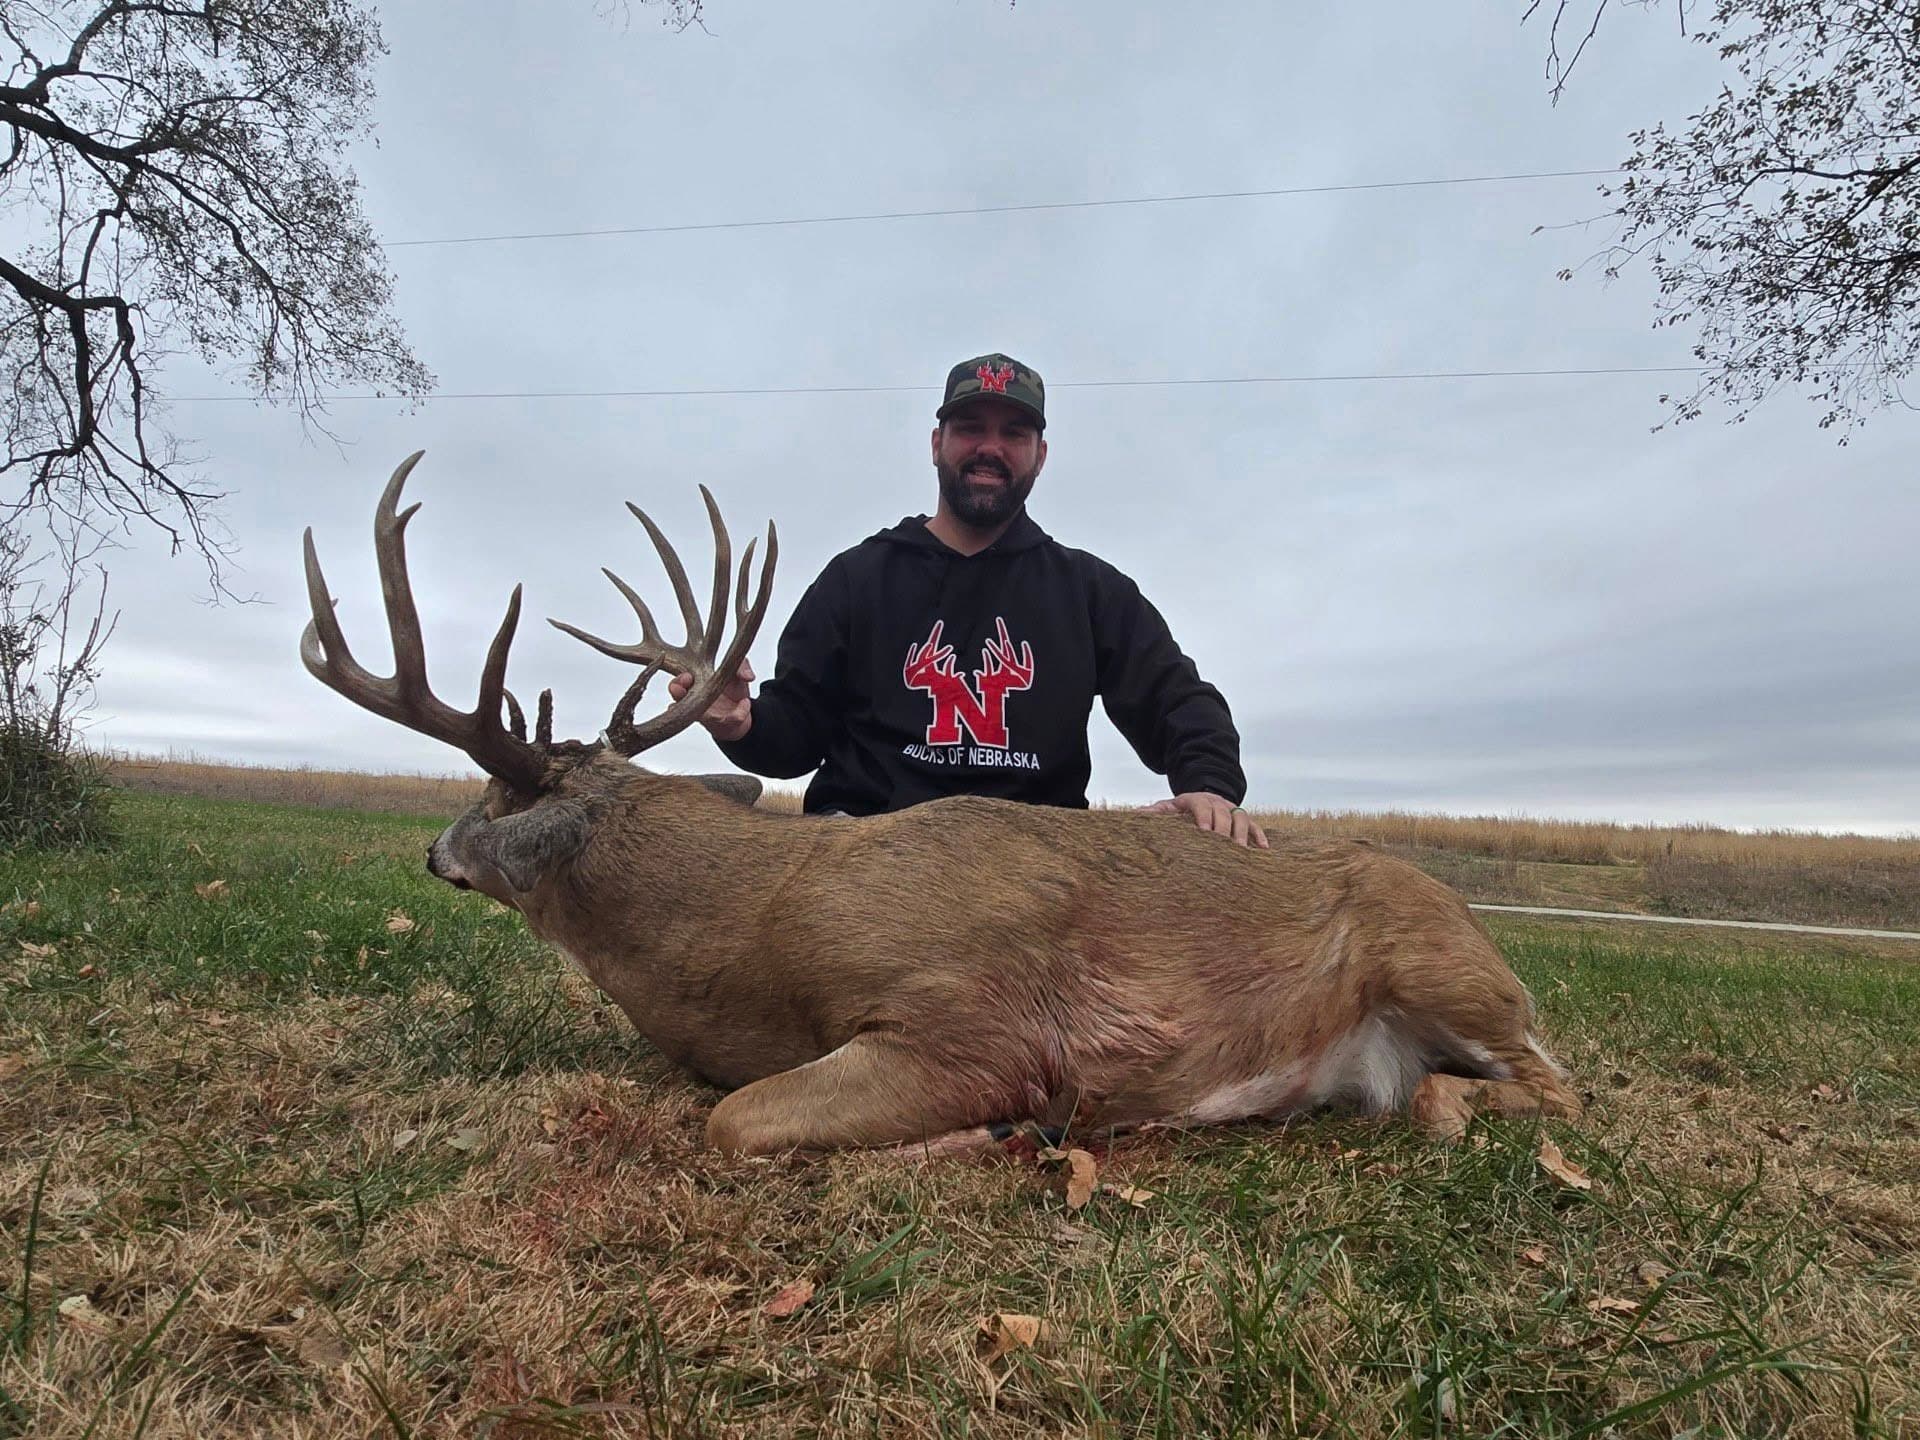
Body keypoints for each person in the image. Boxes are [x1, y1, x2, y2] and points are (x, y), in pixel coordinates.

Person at [668, 351, 1269, 848]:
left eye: (1014, 433)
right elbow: (795, 732)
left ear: (1040, 455)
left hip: (1031, 861)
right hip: (867, 851)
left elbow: (1179, 699)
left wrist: (1208, 785)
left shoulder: (1088, 591)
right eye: (970, 429)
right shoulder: (859, 578)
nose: (991, 447)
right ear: (937, 443)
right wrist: (742, 723)